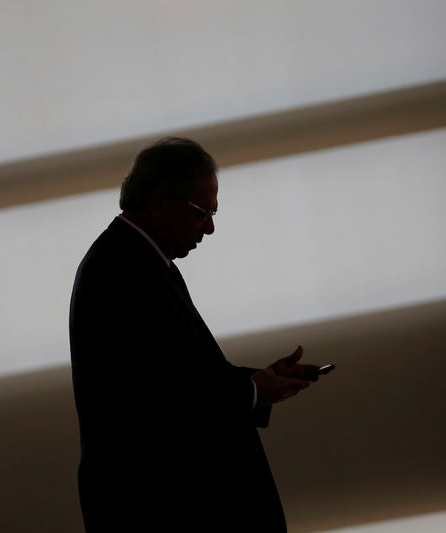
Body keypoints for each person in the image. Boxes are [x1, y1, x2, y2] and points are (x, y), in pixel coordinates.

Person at [69, 137, 320, 532]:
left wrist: (260, 380)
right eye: (203, 212)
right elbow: (155, 403)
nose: (211, 227)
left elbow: (180, 374)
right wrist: (252, 392)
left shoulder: (138, 259)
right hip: (163, 506)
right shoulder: (121, 272)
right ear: (157, 202)